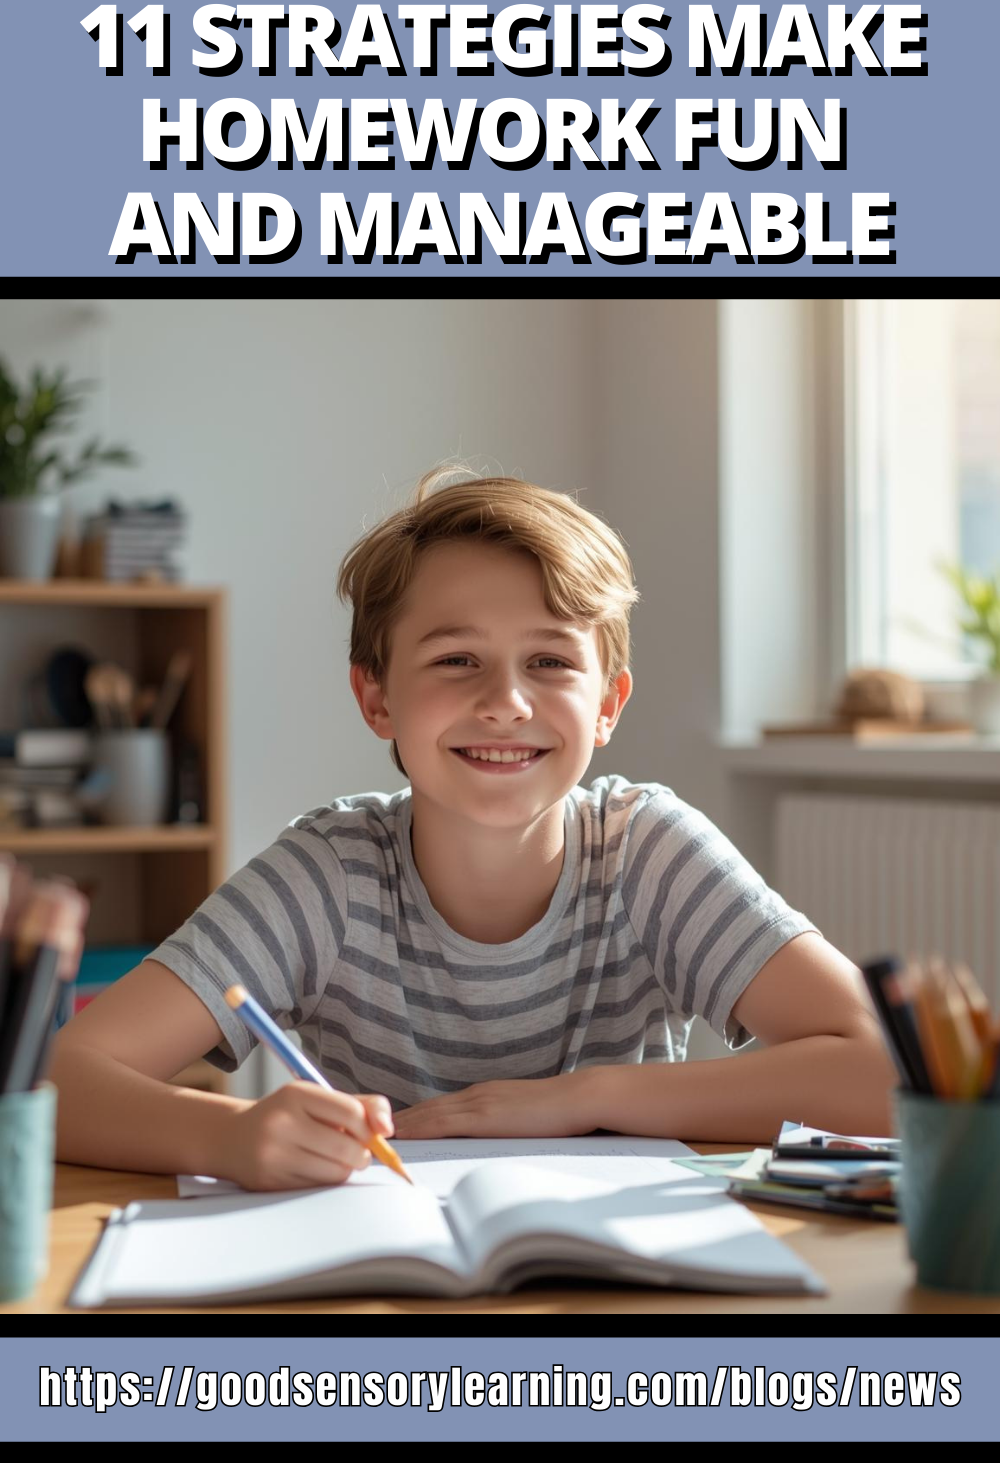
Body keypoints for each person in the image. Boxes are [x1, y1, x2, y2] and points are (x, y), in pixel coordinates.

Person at [49, 465, 896, 1190]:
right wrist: (227, 1137)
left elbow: (888, 1072)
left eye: (551, 661)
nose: (506, 703)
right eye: (456, 660)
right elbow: (57, 1081)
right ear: (376, 697)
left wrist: (582, 1099)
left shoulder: (650, 851)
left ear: (607, 705)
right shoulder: (327, 874)